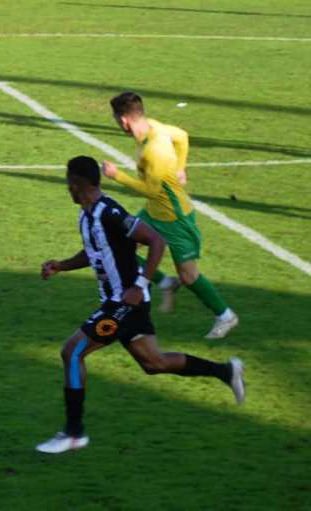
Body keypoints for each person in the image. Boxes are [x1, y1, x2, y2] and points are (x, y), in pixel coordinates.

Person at [35, 156, 246, 454]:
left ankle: (73, 432)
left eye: (68, 181)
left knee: (72, 351)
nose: (66, 187)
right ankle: (227, 371)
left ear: (77, 184)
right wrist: (62, 265)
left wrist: (141, 284)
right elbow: (95, 251)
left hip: (125, 305)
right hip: (120, 303)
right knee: (154, 363)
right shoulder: (87, 216)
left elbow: (156, 241)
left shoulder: (109, 212)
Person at [102, 92, 239, 339]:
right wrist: (180, 168)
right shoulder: (153, 126)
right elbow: (182, 137)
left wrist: (116, 176)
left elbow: (152, 191)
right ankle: (165, 283)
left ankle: (225, 315)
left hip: (174, 218)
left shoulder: (153, 150)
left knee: (189, 276)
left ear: (123, 120)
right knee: (120, 245)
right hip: (155, 213)